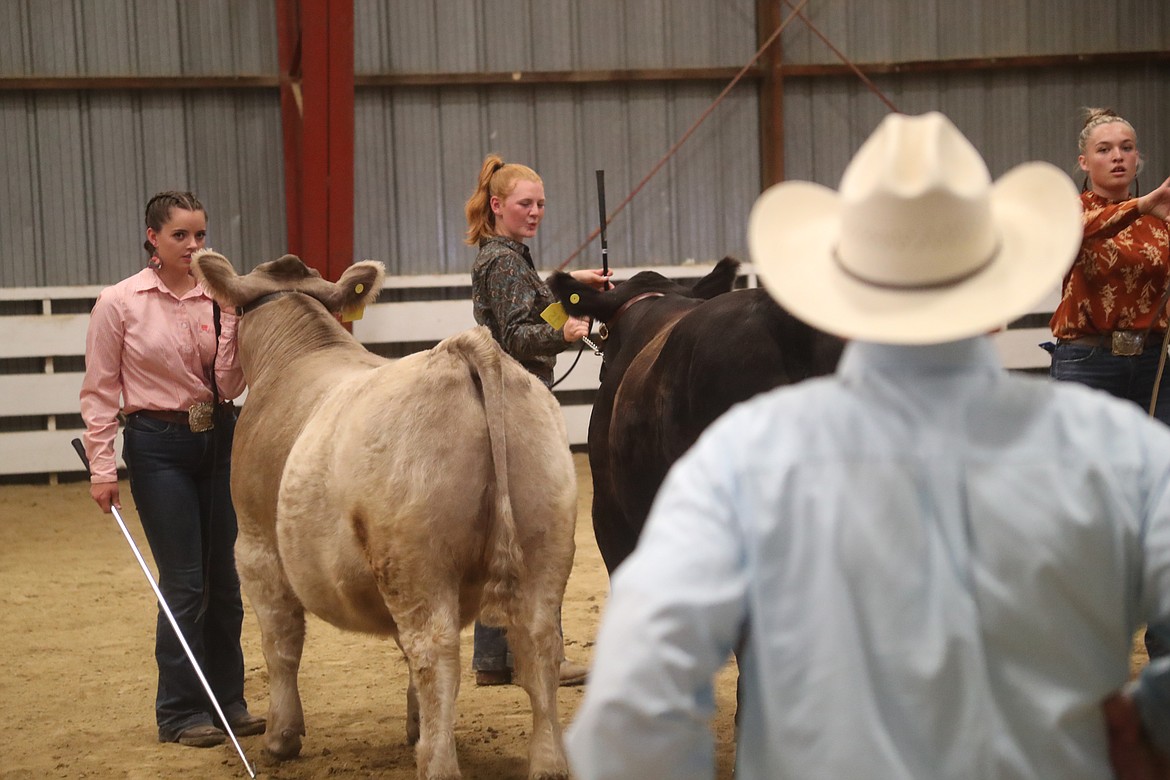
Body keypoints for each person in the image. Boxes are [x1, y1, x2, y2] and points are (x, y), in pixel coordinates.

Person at [566, 112, 1170, 779]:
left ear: (837, 295)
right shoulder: (1118, 452)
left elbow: (628, 714)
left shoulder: (741, 460)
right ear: (997, 304)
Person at [80, 191, 264, 748]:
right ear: (153, 238)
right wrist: (101, 467)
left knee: (226, 583)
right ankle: (180, 712)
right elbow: (99, 390)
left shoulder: (217, 296)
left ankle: (228, 702)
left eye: (201, 235)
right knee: (185, 583)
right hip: (157, 444)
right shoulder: (120, 302)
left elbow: (231, 385)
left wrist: (231, 320)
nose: (194, 245)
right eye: (181, 235)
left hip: (218, 438)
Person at [465, 153, 610, 687]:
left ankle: (495, 658)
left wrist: (569, 287)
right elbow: (516, 336)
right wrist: (568, 332)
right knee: (537, 528)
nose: (535, 212)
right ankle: (541, 655)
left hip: (508, 399)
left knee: (504, 526)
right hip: (518, 399)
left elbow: (527, 312)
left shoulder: (507, 257)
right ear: (499, 205)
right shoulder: (503, 262)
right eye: (526, 204)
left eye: (541, 204)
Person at [1046, 107, 1170, 661]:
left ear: (1138, 156)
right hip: (1086, 361)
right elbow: (1073, 239)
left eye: (1127, 146)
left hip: (1154, 365)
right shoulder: (1068, 211)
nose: (1118, 155)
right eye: (1104, 148)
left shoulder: (1164, 221)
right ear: (1084, 162)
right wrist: (1142, 205)